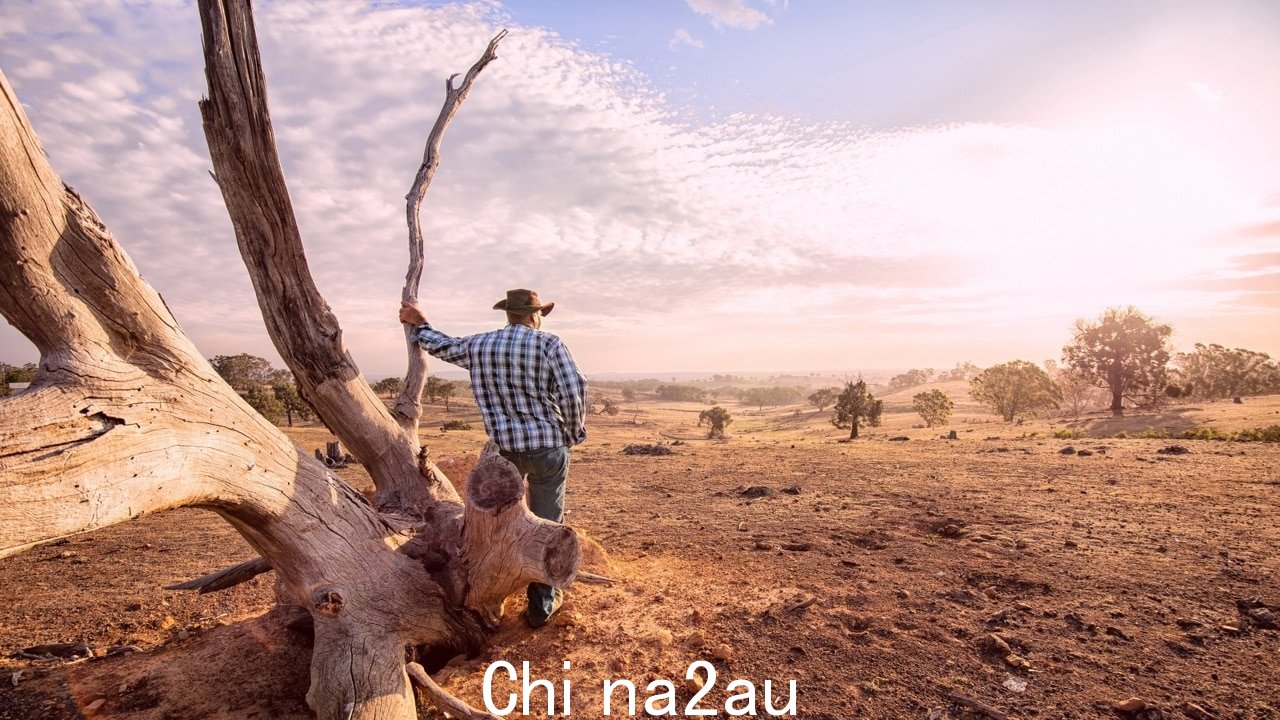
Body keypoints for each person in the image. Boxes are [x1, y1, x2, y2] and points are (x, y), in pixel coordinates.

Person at [398, 288, 586, 628]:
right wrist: (573, 432)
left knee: (505, 523)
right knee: (547, 520)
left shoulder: (480, 345)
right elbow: (574, 391)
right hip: (547, 447)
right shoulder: (549, 344)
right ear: (534, 315)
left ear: (508, 314)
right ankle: (542, 606)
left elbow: (440, 345)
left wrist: (420, 322)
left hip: (506, 452)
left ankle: (491, 586)